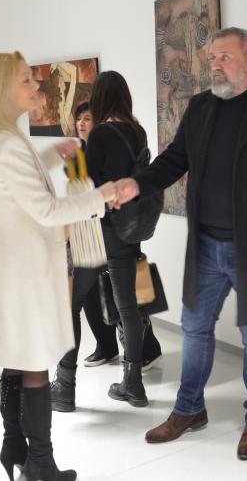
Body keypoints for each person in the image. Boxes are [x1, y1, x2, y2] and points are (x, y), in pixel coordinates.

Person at [114, 27, 247, 460]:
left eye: (225, 57)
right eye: (212, 57)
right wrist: (138, 184)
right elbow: (175, 160)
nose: (214, 64)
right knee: (194, 329)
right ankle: (189, 409)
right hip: (207, 245)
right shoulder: (201, 108)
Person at [0, 51, 117, 481]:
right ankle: (41, 465)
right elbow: (48, 210)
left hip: (7, 273)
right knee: (34, 366)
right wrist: (104, 195)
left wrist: (52, 154)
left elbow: (20, 184)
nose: (36, 87)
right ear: (2, 90)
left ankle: (14, 447)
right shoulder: (7, 144)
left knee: (16, 361)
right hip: (22, 275)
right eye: (25, 81)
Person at [51, 72, 155, 412]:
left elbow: (87, 185)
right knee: (128, 307)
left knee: (71, 305)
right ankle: (133, 384)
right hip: (127, 231)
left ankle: (64, 388)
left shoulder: (101, 133)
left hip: (96, 231)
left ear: (100, 97)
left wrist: (71, 164)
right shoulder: (137, 132)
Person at [69, 100, 162, 372]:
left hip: (116, 230)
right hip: (92, 231)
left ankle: (146, 350)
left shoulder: (111, 143)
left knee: (126, 295)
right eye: (79, 119)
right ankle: (107, 346)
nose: (82, 123)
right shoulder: (80, 151)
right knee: (96, 293)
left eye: (87, 118)